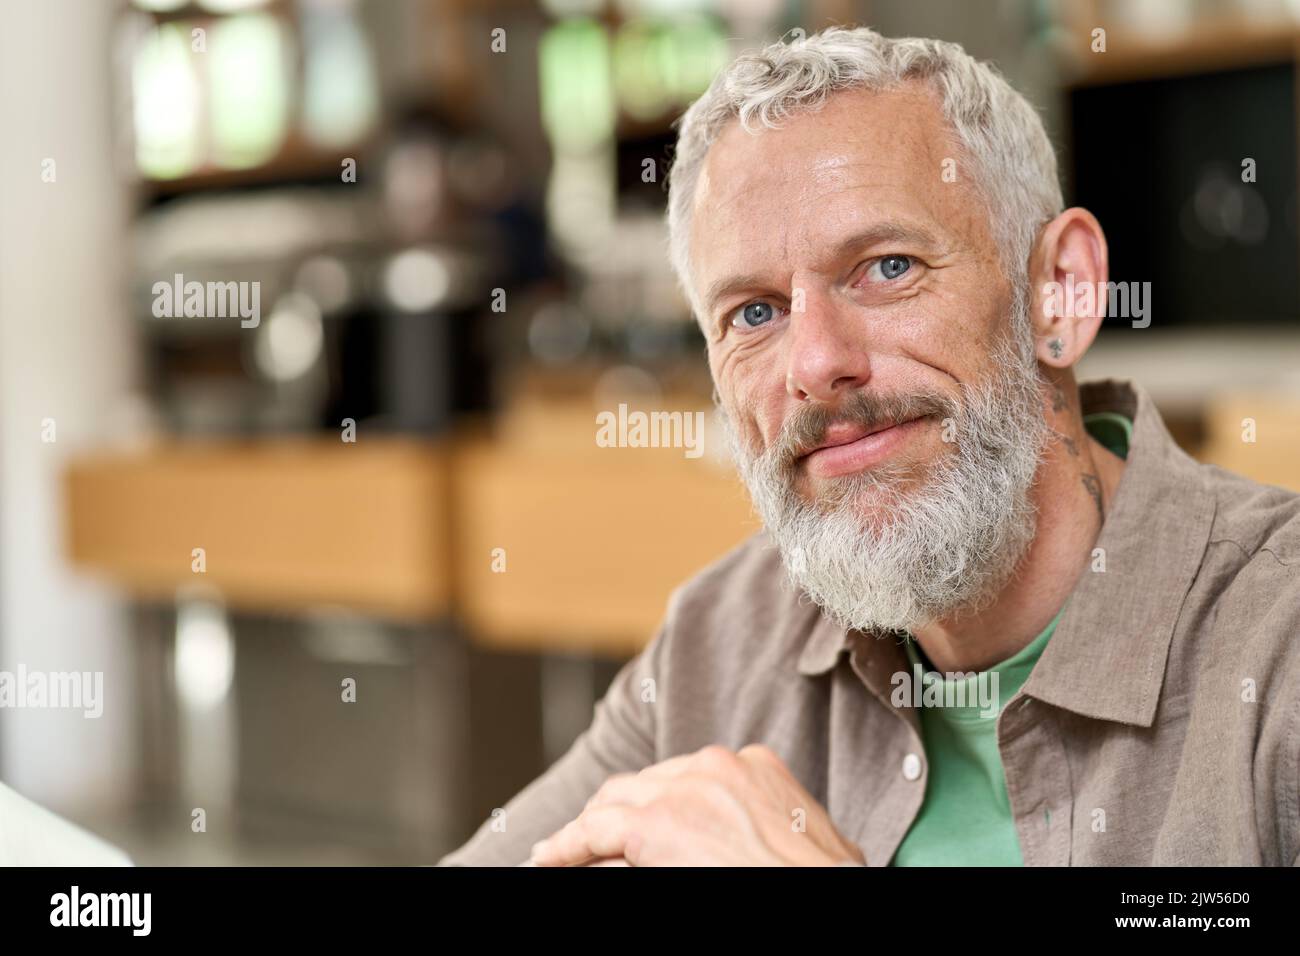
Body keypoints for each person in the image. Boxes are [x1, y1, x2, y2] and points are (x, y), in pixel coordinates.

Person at [441, 26, 1300, 866]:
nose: (817, 365)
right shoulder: (719, 643)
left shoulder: (1278, 652)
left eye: (887, 268)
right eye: (754, 313)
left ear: (1060, 290)